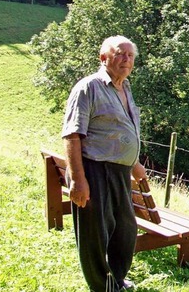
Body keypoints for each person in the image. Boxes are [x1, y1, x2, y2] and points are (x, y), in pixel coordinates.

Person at [62, 35, 147, 291]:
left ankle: (116, 278)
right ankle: (102, 286)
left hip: (119, 171)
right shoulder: (89, 87)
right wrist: (78, 179)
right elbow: (73, 134)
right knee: (95, 235)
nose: (126, 60)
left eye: (130, 56)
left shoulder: (125, 87)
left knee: (125, 229)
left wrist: (134, 163)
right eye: (120, 54)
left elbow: (120, 129)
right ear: (103, 58)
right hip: (94, 168)